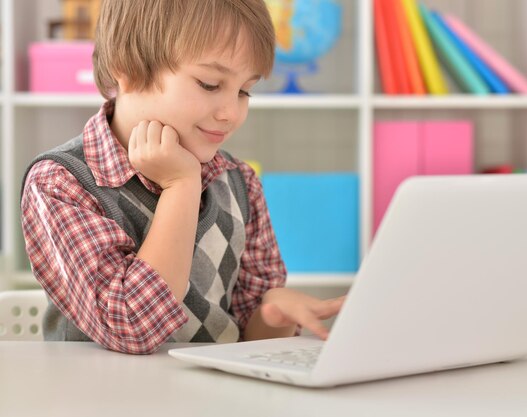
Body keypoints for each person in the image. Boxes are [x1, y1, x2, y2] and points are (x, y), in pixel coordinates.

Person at [20, 0, 344, 355]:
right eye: (209, 84)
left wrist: (275, 315)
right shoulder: (61, 183)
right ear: (125, 69)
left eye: (244, 90)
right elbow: (131, 326)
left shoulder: (240, 183)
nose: (230, 113)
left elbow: (252, 342)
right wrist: (181, 186)